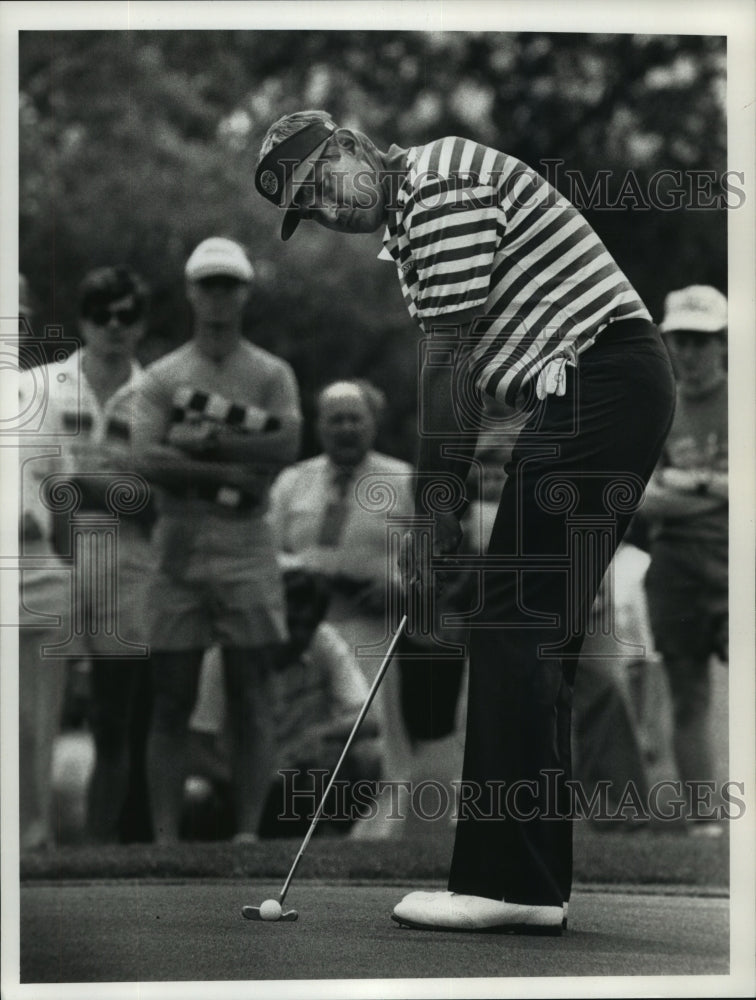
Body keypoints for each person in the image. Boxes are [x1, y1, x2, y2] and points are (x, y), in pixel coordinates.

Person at [255, 111, 676, 932]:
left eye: (323, 183)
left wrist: (429, 517)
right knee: (527, 627)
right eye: (310, 207)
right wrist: (442, 507)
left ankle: (507, 882)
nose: (330, 209)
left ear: (351, 146)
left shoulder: (438, 186)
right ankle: (529, 886)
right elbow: (472, 375)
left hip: (601, 382)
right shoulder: (412, 222)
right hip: (589, 390)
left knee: (515, 622)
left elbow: (448, 372)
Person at [132, 237, 302, 844]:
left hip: (246, 541)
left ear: (246, 292)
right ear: (190, 291)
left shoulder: (270, 373)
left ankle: (250, 834)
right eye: (208, 284)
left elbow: (286, 445)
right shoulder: (163, 375)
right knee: (172, 695)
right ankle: (165, 838)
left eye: (229, 284)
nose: (218, 296)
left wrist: (200, 441)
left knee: (251, 691)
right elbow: (146, 457)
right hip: (177, 539)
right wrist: (232, 469)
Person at [19, 266, 155, 846]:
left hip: (128, 567)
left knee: (114, 719)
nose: (114, 326)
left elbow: (158, 499)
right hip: (50, 561)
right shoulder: (42, 386)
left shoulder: (159, 394)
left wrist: (96, 484)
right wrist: (112, 484)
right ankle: (33, 831)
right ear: (82, 321)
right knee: (33, 713)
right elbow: (49, 485)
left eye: (127, 315)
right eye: (102, 315)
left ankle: (99, 852)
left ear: (141, 323)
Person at [268, 378, 415, 836]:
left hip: (373, 632)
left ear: (374, 424)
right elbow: (267, 549)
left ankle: (375, 843)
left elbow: (430, 562)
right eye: (336, 419)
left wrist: (401, 590)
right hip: (305, 635)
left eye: (356, 418)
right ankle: (296, 833)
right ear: (319, 426)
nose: (346, 428)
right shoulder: (293, 482)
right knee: (304, 742)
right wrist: (303, 572)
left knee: (378, 741)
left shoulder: (405, 480)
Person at [640, 285, 728, 835]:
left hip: (735, 558)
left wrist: (687, 482)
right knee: (687, 692)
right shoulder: (659, 405)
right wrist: (719, 488)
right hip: (674, 564)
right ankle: (705, 823)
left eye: (700, 340)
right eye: (680, 341)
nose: (690, 353)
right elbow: (636, 495)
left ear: (721, 342)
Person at [17, 275, 71, 850]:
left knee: (38, 724)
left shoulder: (46, 399)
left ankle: (35, 842)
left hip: (43, 576)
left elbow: (61, 493)